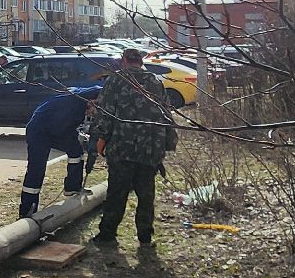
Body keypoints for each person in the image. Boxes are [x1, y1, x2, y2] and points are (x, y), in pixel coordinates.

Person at [89, 48, 178, 247]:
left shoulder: (116, 81)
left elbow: (105, 113)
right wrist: (168, 143)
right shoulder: (155, 82)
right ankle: (145, 235)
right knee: (146, 194)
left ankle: (107, 234)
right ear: (141, 61)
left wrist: (100, 138)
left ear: (124, 61)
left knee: (116, 192)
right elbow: (166, 114)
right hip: (150, 148)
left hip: (122, 147)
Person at [19, 84, 102, 218]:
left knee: (76, 151)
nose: (93, 114)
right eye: (95, 109)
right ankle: (27, 209)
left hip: (55, 128)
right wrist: (76, 134)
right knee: (36, 169)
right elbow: (59, 129)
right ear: (91, 101)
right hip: (39, 132)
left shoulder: (80, 96)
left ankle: (72, 188)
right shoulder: (73, 105)